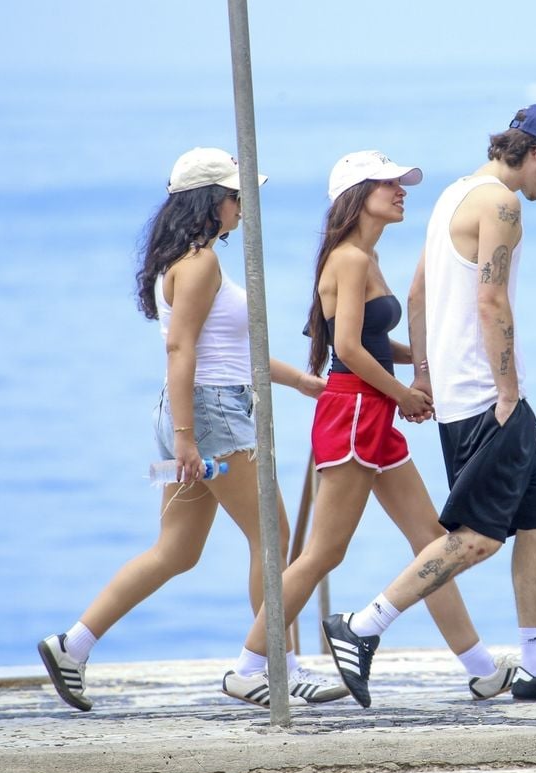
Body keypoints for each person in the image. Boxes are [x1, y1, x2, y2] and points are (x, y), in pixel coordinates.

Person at [322, 105, 536, 707]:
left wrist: (426, 373)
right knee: (477, 537)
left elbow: (420, 291)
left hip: (463, 390)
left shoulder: (454, 195)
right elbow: (491, 302)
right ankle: (364, 626)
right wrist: (505, 390)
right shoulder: (502, 205)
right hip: (488, 396)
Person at [38, 147, 343, 711]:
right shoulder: (200, 263)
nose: (243, 206)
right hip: (208, 416)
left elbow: (226, 352)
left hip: (195, 411)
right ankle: (274, 667)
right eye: (235, 196)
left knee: (176, 550)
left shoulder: (180, 260)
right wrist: (186, 438)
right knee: (272, 539)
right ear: (211, 201)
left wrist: (299, 382)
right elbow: (181, 349)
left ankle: (71, 645)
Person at [218, 150, 518, 709]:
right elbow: (349, 350)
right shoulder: (351, 260)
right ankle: (248, 666)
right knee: (322, 554)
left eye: (400, 184)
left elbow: (373, 346)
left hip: (370, 411)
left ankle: (480, 669)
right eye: (388, 185)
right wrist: (403, 392)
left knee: (432, 541)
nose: (401, 191)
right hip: (354, 411)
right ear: (356, 196)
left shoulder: (364, 257)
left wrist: (429, 366)